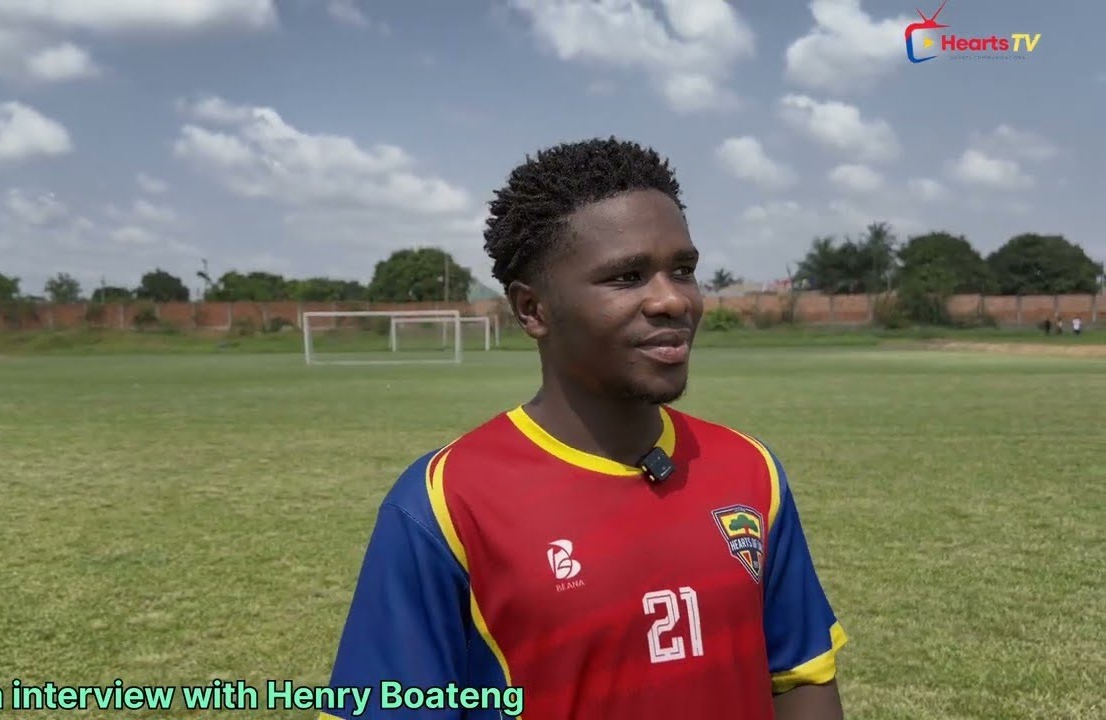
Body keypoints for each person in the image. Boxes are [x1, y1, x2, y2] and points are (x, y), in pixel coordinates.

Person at [317, 137, 847, 719]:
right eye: (627, 276)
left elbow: (799, 677)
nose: (673, 300)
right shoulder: (445, 503)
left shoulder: (751, 469)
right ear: (532, 310)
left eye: (684, 269)